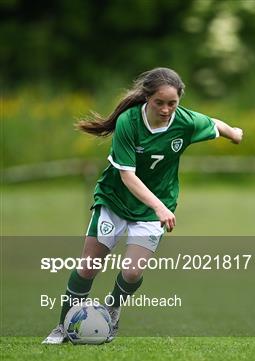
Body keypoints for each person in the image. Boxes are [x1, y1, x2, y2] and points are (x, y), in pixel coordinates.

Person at [43, 67, 243, 344]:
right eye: (159, 102)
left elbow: (213, 124)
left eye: (172, 103)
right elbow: (127, 176)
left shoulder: (184, 122)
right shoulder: (129, 122)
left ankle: (112, 308)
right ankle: (63, 327)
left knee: (133, 271)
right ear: (147, 98)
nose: (165, 109)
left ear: (179, 101)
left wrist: (233, 133)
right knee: (89, 266)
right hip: (115, 199)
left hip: (150, 209)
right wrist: (160, 207)